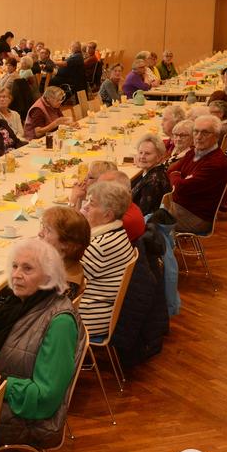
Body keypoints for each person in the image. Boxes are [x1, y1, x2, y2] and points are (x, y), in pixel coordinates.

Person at [0, 238, 81, 450]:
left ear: (49, 275)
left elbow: (45, 399)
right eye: (14, 266)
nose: (16, 275)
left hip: (27, 418)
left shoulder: (59, 322)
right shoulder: (18, 303)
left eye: (27, 269)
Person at [78, 181, 136, 338]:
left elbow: (67, 279)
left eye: (92, 203)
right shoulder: (115, 232)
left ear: (108, 215)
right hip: (99, 308)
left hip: (89, 316)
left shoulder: (100, 245)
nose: (86, 207)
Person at [166, 115, 227, 234]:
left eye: (205, 133)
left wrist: (176, 175)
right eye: (196, 132)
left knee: (148, 219)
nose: (199, 137)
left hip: (196, 217)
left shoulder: (215, 163)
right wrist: (178, 176)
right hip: (180, 205)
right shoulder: (193, 152)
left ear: (216, 136)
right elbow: (170, 170)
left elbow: (180, 188)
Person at [39, 207, 91, 298]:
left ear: (66, 244)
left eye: (48, 230)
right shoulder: (63, 265)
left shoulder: (63, 288)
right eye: (43, 227)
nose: (40, 233)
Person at [131, 133, 172, 216]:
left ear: (159, 157)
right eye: (140, 152)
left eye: (147, 153)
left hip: (143, 223)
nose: (142, 157)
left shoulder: (153, 182)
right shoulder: (156, 171)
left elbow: (142, 213)